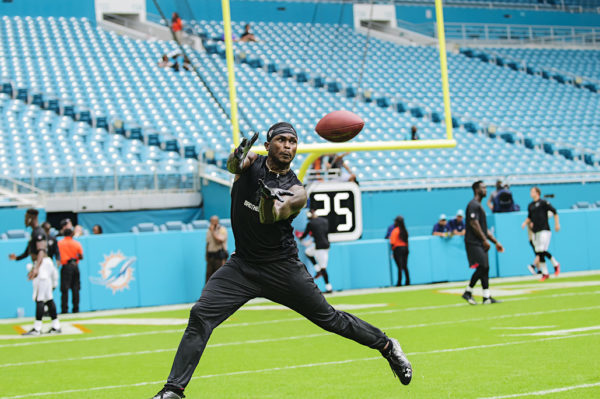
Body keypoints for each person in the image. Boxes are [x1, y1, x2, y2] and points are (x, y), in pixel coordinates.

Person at [149, 123, 412, 399]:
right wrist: (236, 156)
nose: (288, 146)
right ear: (267, 145)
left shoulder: (297, 190)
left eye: (292, 141)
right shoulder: (252, 163)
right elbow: (234, 166)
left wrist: (266, 200)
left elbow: (271, 215)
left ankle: (387, 346)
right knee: (200, 315)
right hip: (243, 266)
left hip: (281, 267)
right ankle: (174, 391)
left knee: (330, 319)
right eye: (282, 140)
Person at [8, 209, 61, 335]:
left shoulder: (39, 232)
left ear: (32, 218)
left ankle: (37, 328)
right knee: (48, 298)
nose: (26, 220)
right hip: (41, 264)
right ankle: (56, 326)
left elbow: (41, 250)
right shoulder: (34, 233)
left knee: (40, 297)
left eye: (27, 217)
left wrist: (37, 267)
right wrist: (17, 258)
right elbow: (28, 252)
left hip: (43, 264)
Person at [462, 181, 504, 305]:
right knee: (483, 266)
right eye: (483, 188)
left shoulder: (479, 206)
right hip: (473, 242)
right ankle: (468, 291)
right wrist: (484, 240)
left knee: (485, 268)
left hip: (480, 242)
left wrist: (496, 242)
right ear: (476, 190)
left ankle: (486, 297)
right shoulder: (473, 205)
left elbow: (483, 229)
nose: (486, 190)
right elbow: (473, 224)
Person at [521, 187, 560, 281]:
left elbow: (554, 212)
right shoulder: (530, 205)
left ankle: (551, 267)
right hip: (536, 231)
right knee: (539, 251)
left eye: (532, 191)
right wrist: (524, 223)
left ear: (537, 193)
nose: (531, 193)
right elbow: (529, 217)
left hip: (544, 229)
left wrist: (557, 224)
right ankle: (548, 270)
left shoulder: (543, 203)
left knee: (542, 250)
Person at [300, 208, 332, 293]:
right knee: (308, 252)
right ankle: (317, 269)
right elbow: (323, 234)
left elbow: (305, 235)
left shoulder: (311, 223)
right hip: (326, 245)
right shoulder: (325, 221)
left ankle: (329, 287)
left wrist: (300, 238)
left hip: (320, 247)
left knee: (323, 268)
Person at [57, 228, 83, 314]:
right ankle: (76, 308)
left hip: (66, 266)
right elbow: (81, 256)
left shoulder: (60, 243)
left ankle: (65, 309)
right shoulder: (76, 243)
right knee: (75, 288)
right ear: (71, 234)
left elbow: (57, 255)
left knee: (65, 289)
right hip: (75, 265)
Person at [205, 216, 228, 282]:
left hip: (219, 258)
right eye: (211, 222)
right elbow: (208, 243)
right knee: (208, 277)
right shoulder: (209, 230)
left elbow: (219, 241)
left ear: (217, 222)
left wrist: (213, 232)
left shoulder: (222, 230)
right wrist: (206, 256)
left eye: (214, 222)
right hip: (211, 257)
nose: (212, 224)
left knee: (219, 277)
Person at [389, 216, 410, 286]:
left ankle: (399, 282)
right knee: (405, 266)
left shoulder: (395, 230)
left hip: (398, 249)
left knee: (399, 266)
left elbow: (392, 242)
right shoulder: (405, 230)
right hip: (405, 248)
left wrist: (392, 251)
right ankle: (407, 281)